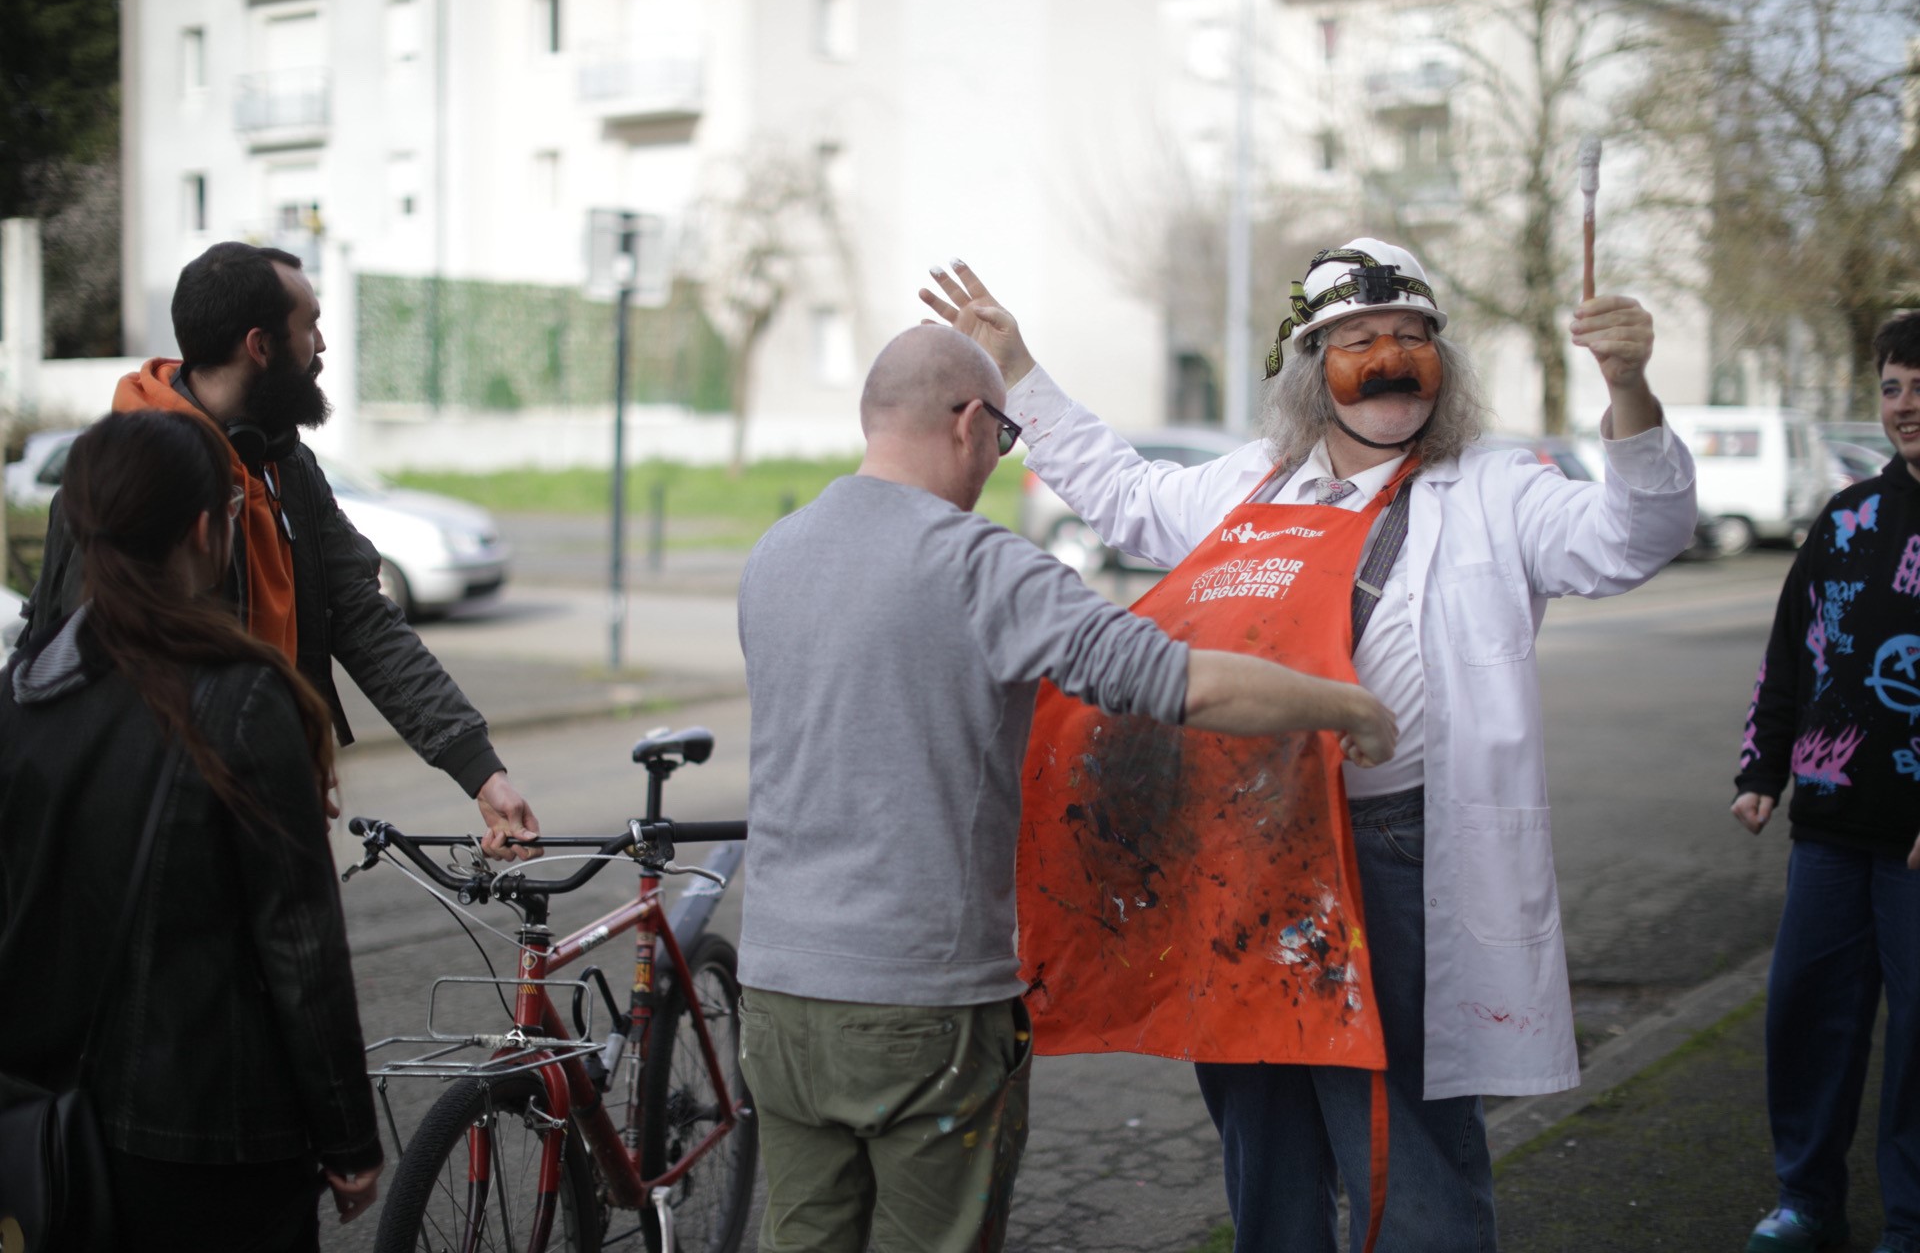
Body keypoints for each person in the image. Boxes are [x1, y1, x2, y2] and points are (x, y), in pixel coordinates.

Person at [918, 240, 1698, 1252]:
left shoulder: (1500, 488)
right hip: (1245, 860)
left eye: (1413, 337)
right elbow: (1125, 493)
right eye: (1360, 339)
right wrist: (1019, 368)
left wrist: (1630, 389)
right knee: (1263, 1130)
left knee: (1400, 1133)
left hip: (1396, 857)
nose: (1390, 357)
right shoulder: (1253, 484)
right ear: (1309, 366)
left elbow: (1637, 534)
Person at [735, 324, 1400, 1253]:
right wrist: (1346, 707)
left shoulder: (776, 554)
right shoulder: (979, 565)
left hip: (776, 997)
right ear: (971, 422)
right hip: (922, 1006)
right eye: (1005, 438)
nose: (997, 462)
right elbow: (1181, 683)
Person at [0, 410, 383, 1249]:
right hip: (217, 1140)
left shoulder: (21, 693)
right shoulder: (242, 699)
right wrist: (350, 1139)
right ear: (209, 531)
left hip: (48, 1126)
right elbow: (299, 945)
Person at [21, 242, 540, 857]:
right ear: (259, 346)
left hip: (272, 793)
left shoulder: (286, 464)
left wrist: (480, 770)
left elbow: (364, 620)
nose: (321, 345)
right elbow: (98, 670)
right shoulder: (126, 479)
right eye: (310, 325)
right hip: (163, 828)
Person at [1731, 310, 1920, 1253]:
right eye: (1893, 387)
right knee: (1808, 1020)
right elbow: (1792, 654)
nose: (1907, 405)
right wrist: (1764, 766)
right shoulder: (1848, 519)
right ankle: (1808, 1202)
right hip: (1832, 824)